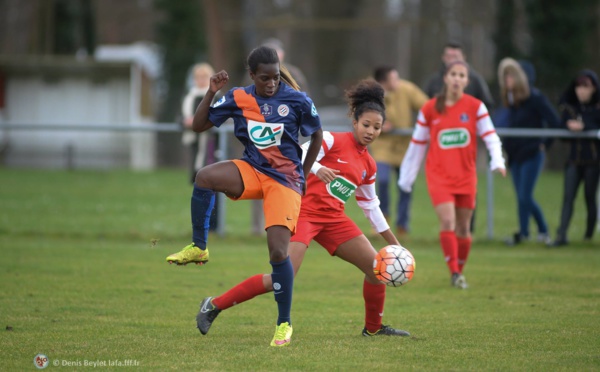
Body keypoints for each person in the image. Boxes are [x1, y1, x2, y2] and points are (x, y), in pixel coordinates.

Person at [195, 80, 410, 344]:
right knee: (281, 277)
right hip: (302, 213)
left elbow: (370, 205)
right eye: (366, 125)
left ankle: (373, 328)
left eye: (376, 127)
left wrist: (396, 246)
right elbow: (304, 151)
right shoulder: (332, 139)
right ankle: (214, 305)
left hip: (334, 220)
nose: (370, 131)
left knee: (377, 269)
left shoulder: (369, 164)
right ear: (354, 122)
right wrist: (318, 169)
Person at [165, 46, 324, 347]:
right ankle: (199, 247)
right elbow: (199, 126)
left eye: (275, 77)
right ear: (252, 76)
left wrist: (302, 174)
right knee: (204, 177)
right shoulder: (239, 97)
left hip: (285, 181)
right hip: (252, 169)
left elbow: (316, 134)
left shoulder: (296, 99)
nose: (271, 83)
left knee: (278, 253)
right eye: (264, 78)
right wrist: (210, 93)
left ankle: (284, 323)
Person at [399, 61, 506, 289]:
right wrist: (406, 178)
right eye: (453, 74)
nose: (457, 79)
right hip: (439, 176)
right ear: (445, 79)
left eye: (462, 75)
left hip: (466, 176)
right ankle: (455, 272)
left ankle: (459, 268)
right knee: (448, 221)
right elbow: (417, 145)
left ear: (467, 81)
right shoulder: (430, 108)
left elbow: (491, 137)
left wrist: (497, 161)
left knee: (464, 228)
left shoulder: (476, 107)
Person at [423, 42, 495, 234]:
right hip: (441, 151)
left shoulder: (476, 81)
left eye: (457, 56)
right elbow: (425, 110)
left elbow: (487, 106)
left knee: (468, 190)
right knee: (445, 207)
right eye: (449, 56)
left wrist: (484, 136)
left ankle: (466, 229)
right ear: (443, 60)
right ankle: (450, 229)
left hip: (466, 148)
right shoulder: (434, 82)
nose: (453, 60)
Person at [497, 58, 560, 246]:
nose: (507, 80)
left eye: (510, 75)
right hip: (515, 155)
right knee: (520, 197)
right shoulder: (511, 101)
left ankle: (543, 230)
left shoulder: (535, 98)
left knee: (525, 196)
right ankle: (523, 233)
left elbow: (554, 122)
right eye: (505, 76)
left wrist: (543, 145)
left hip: (532, 154)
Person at [372, 66, 428, 237]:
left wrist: (422, 126)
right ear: (383, 82)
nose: (397, 82)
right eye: (393, 79)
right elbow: (361, 114)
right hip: (382, 146)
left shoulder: (407, 89)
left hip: (404, 148)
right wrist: (379, 124)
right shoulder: (372, 93)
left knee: (405, 185)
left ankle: (402, 224)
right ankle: (382, 220)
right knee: (381, 181)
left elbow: (426, 106)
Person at [552, 70, 600, 246]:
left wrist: (585, 127)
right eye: (579, 86)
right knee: (568, 197)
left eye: (585, 87)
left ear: (593, 89)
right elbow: (560, 130)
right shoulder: (570, 108)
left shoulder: (596, 109)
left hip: (593, 162)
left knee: (589, 196)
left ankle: (588, 236)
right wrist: (567, 127)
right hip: (574, 160)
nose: (581, 90)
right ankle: (561, 235)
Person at [180, 63, 219, 230]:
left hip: (211, 147)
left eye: (204, 77)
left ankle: (214, 225)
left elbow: (218, 118)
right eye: (198, 77)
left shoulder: (217, 97)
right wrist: (185, 122)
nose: (201, 80)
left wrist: (199, 122)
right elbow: (180, 118)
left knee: (213, 185)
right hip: (196, 148)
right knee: (199, 185)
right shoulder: (189, 97)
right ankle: (199, 223)